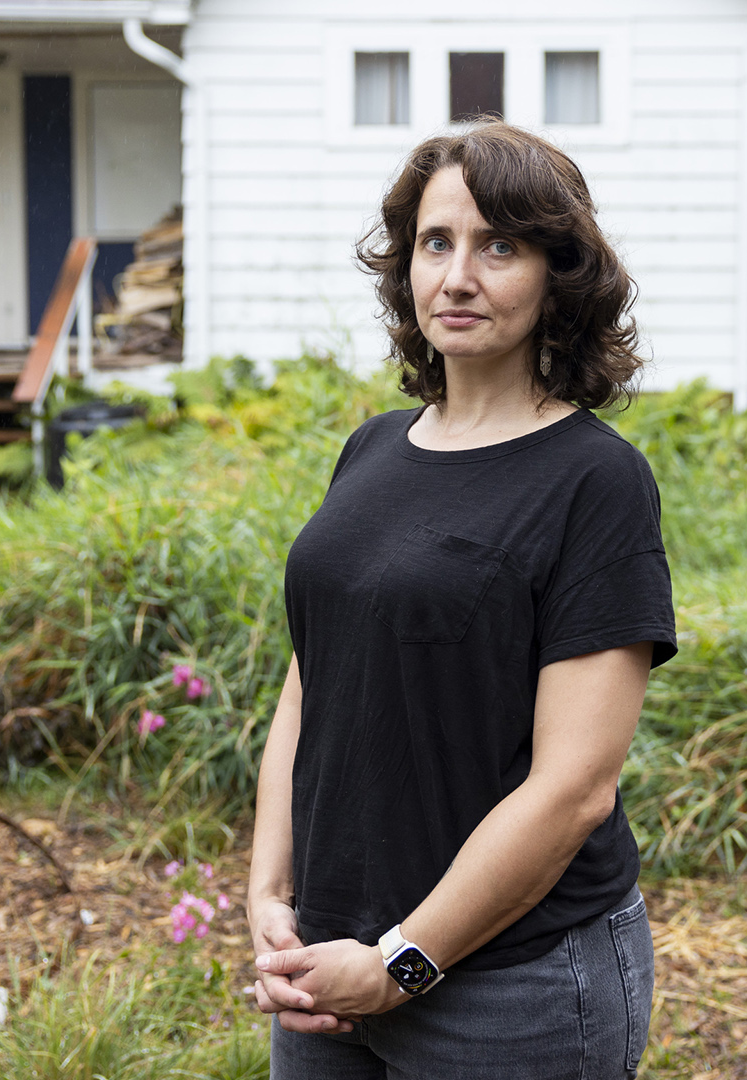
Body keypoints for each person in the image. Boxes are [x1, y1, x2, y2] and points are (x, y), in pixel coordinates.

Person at [247, 122, 677, 1080]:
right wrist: (271, 893)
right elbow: (310, 683)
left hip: (511, 987)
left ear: (558, 274)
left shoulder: (594, 481)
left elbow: (574, 790)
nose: (459, 277)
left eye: (500, 246)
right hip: (327, 966)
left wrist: (403, 961)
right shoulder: (370, 451)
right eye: (437, 243)